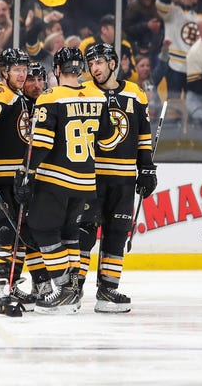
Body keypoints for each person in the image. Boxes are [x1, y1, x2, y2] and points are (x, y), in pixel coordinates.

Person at [13, 47, 116, 313]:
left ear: (57, 70)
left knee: (43, 228)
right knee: (70, 233)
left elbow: (42, 143)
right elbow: (108, 139)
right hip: (85, 181)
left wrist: (26, 172)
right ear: (80, 69)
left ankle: (66, 289)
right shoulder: (98, 95)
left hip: (55, 179)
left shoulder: (51, 97)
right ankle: (73, 290)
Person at [78, 42, 157, 313]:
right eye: (90, 64)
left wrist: (146, 168)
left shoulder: (135, 93)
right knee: (84, 232)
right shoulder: (84, 92)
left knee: (116, 234)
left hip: (123, 178)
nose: (94, 68)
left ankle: (107, 291)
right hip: (91, 176)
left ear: (113, 63)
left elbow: (143, 136)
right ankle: (74, 288)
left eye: (98, 62)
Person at [0, 48, 52, 315]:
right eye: (18, 70)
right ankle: (2, 293)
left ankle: (10, 286)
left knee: (20, 235)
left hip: (16, 179)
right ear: (4, 72)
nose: (22, 75)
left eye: (25, 70)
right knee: (4, 233)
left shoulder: (21, 98)